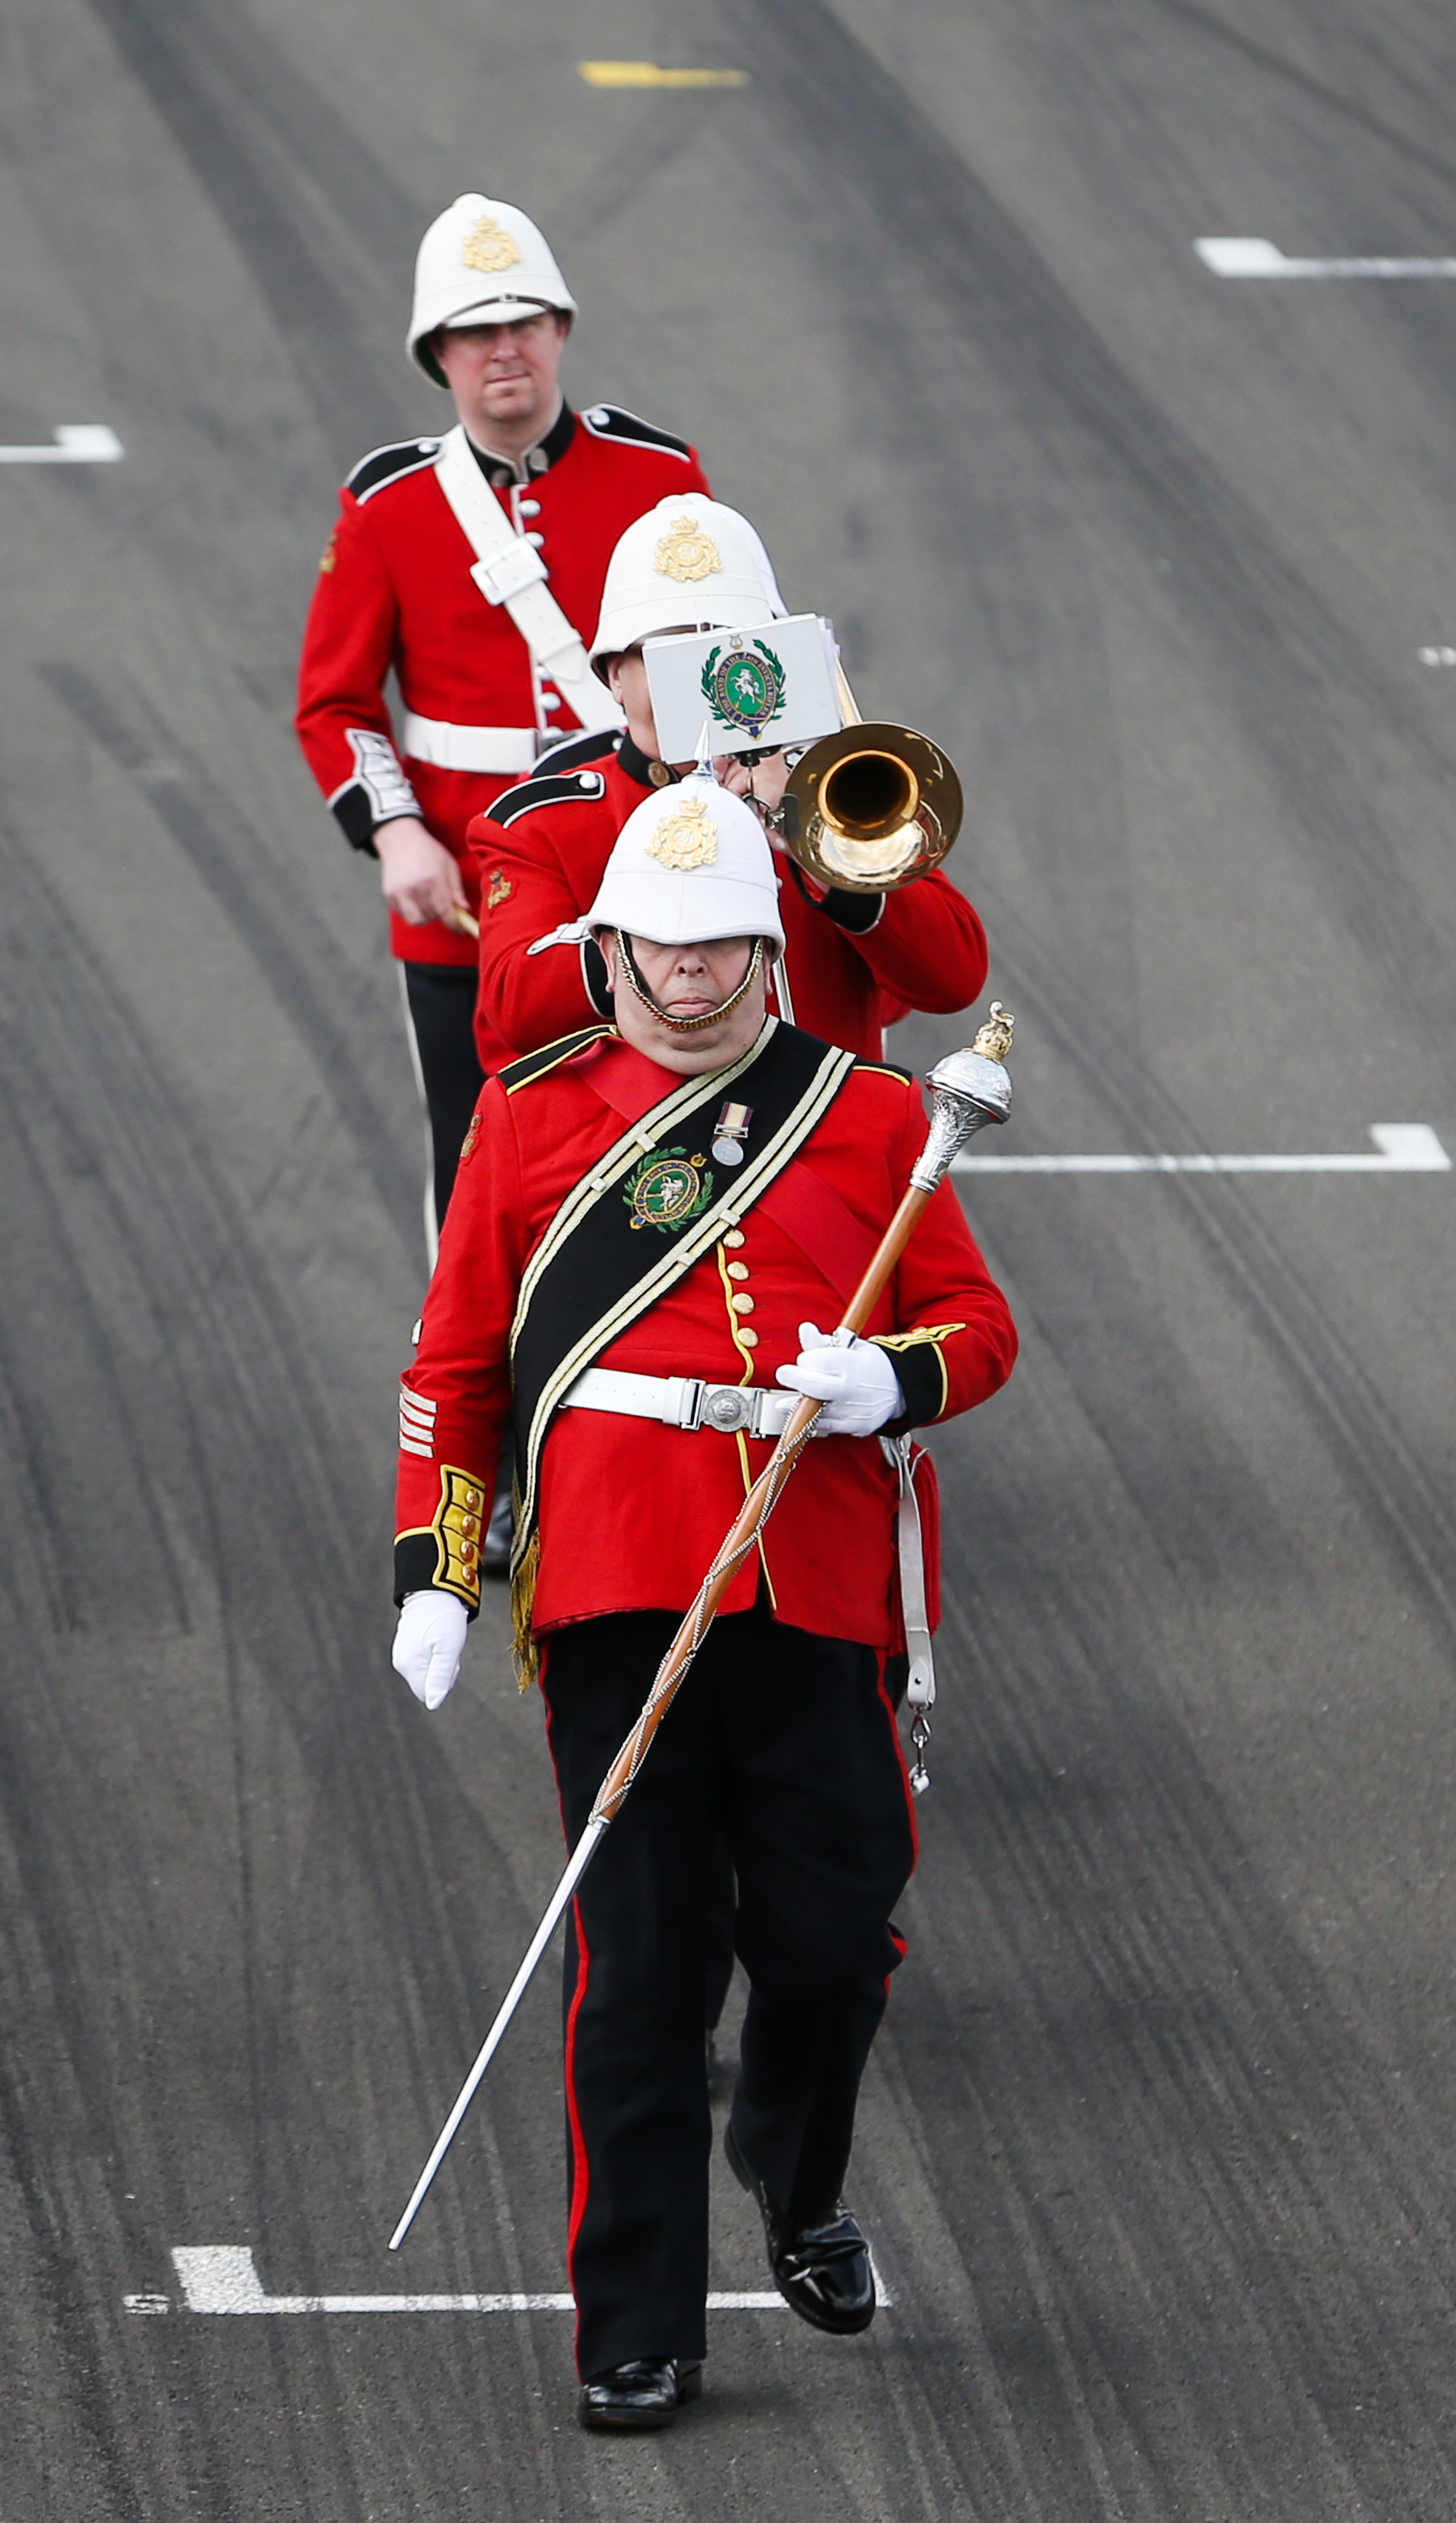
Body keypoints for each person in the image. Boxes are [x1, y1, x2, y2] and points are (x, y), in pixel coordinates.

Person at [388, 780, 1015, 2429]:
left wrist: (889, 1378)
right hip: (614, 1583)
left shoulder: (870, 1116)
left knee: (834, 1940)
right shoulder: (526, 1119)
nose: (688, 979)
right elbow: (454, 1367)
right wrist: (438, 1567)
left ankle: (792, 2173)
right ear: (612, 952)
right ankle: (636, 2324)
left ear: (764, 950)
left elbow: (979, 1322)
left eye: (722, 948)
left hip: (811, 1575)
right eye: (658, 950)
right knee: (643, 1965)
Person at [294, 193, 709, 1239]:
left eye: (524, 320)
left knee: (668, 1149)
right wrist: (395, 832)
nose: (504, 349)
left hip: (646, 869)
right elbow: (336, 702)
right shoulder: (387, 504)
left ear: (561, 329)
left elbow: (722, 670)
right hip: (465, 897)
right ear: (439, 355)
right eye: (477, 331)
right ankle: (478, 1391)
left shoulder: (661, 480)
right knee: (479, 1157)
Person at [469, 493, 986, 1070]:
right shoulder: (541, 823)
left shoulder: (828, 799)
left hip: (826, 1141)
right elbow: (517, 1012)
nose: (706, 685)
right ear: (615, 675)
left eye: (728, 651)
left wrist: (820, 852)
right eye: (670, 658)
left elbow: (952, 981)